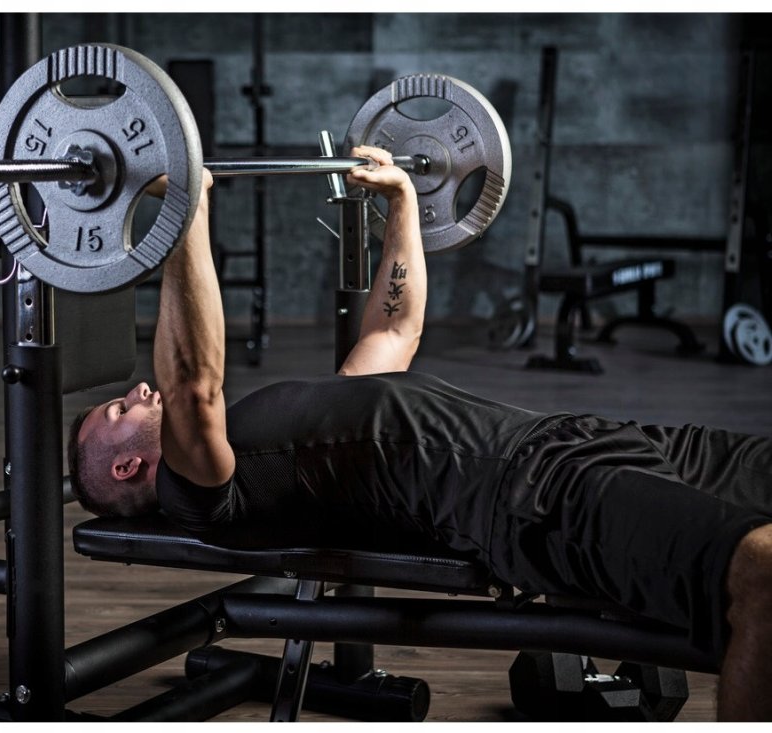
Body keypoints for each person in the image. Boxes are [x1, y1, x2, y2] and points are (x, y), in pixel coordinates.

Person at [67, 145, 772, 720]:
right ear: (130, 469)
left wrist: (404, 200)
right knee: (760, 572)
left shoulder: (297, 435)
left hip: (582, 439)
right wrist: (185, 211)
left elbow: (393, 329)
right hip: (536, 496)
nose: (135, 392)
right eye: (121, 413)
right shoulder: (196, 488)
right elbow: (194, 380)